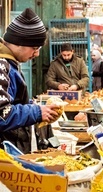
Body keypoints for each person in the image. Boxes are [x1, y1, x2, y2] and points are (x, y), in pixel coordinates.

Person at [0, 8, 60, 153]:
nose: (37, 54)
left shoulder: (11, 64)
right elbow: (2, 114)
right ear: (18, 42)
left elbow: (13, 102)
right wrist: (36, 112)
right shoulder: (2, 66)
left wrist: (37, 107)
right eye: (34, 47)